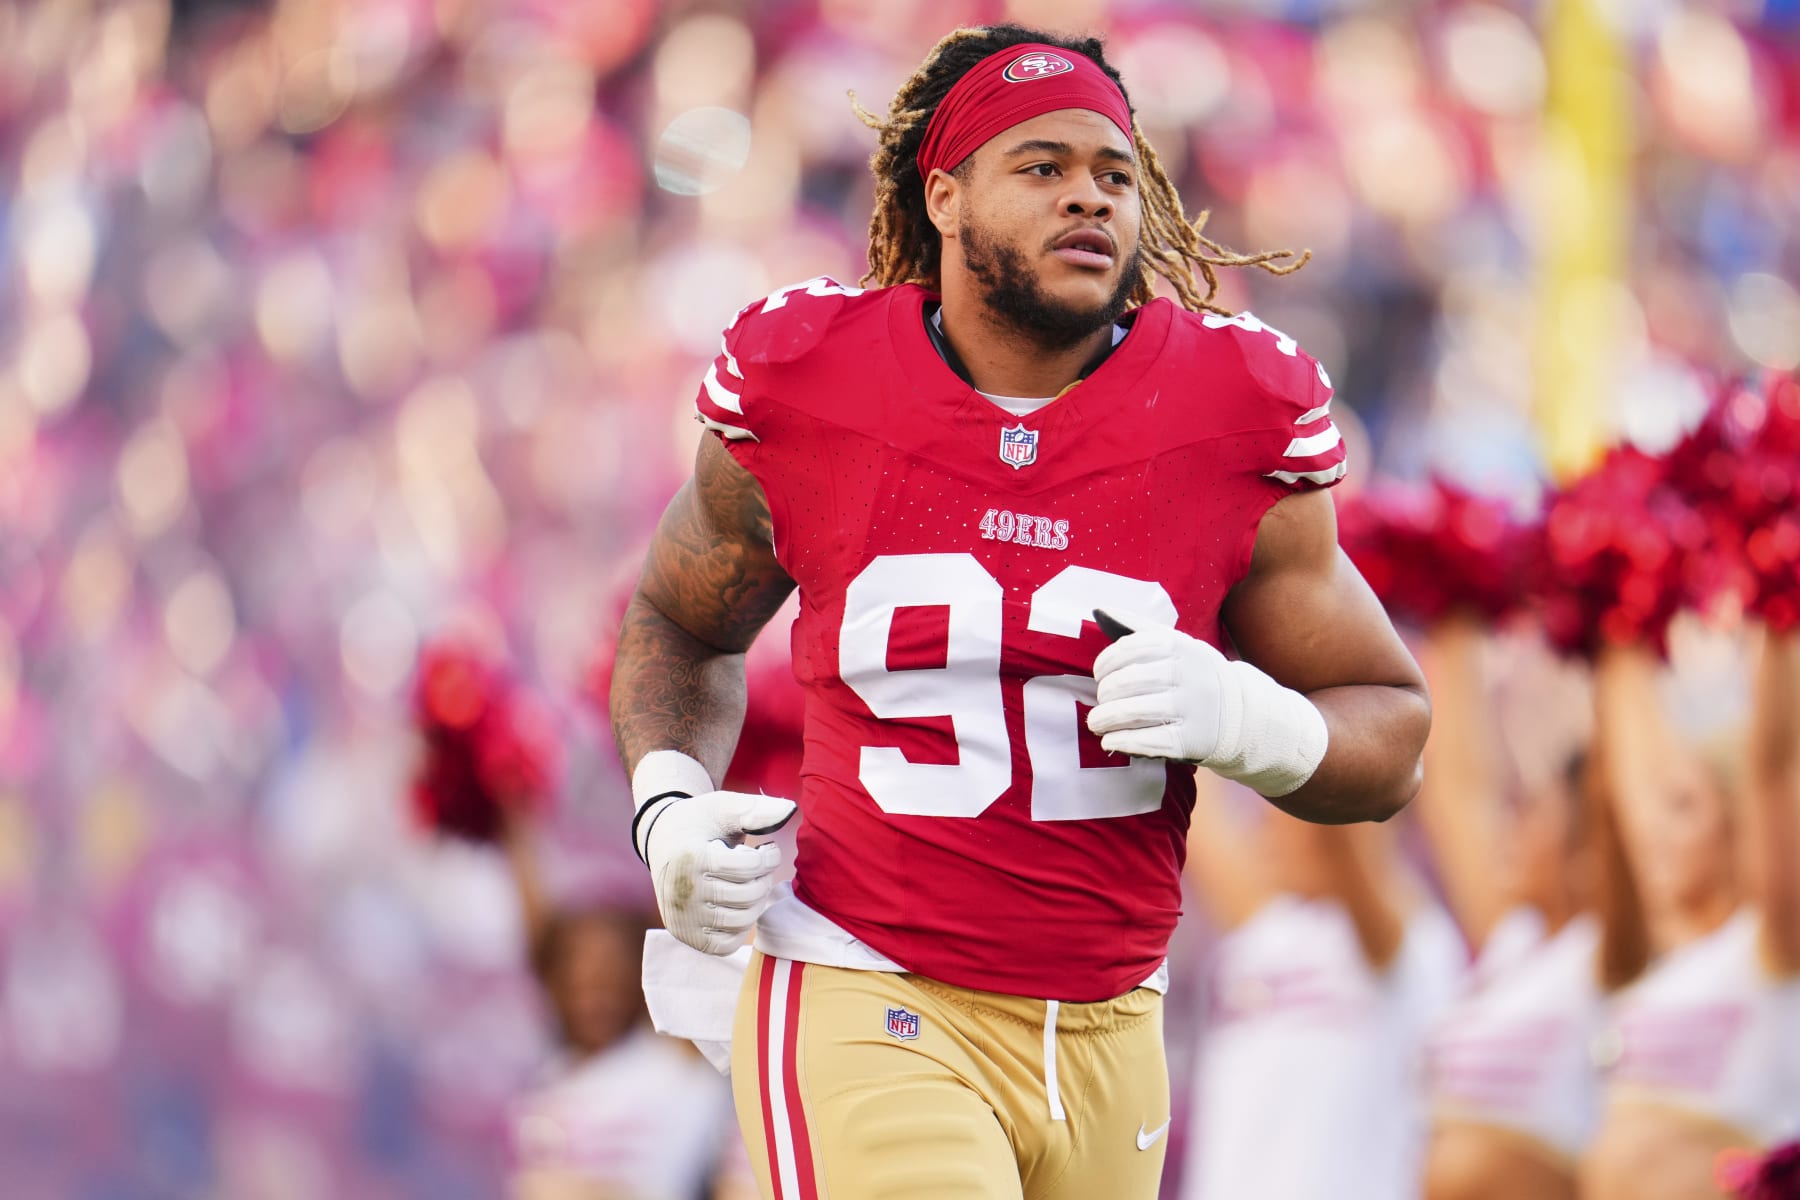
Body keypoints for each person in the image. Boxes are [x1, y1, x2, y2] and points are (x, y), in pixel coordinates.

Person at [608, 24, 1431, 1200]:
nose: (1089, 196)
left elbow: (1391, 730)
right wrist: (668, 811)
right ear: (943, 197)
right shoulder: (812, 384)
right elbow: (678, 626)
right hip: (865, 984)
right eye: (1042, 167)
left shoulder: (1228, 413)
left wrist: (1254, 721)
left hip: (1107, 1029)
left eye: (1113, 172)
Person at [1579, 626, 1800, 1200]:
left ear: (1733, 820)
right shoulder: (1673, 949)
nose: (1655, 833)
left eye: (1683, 808)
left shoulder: (1774, 948)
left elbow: (1774, 767)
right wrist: (1619, 617)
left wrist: (1778, 610)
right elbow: (1630, 777)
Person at [1178, 767, 1463, 1200]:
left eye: (1282, 808)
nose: (1262, 824)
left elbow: (1345, 836)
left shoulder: (1407, 942)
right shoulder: (1266, 929)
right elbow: (1199, 815)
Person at [1414, 619, 1607, 1200]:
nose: (1510, 830)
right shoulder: (1514, 940)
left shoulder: (1604, 956)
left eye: (1532, 814)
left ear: (1585, 839)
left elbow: (1619, 792)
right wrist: (1456, 615)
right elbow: (1456, 791)